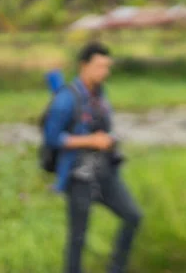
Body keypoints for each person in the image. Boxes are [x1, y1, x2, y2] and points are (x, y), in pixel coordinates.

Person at [43, 42, 142, 273]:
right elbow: (52, 138)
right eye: (99, 66)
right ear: (83, 66)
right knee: (77, 238)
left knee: (133, 216)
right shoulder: (66, 99)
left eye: (107, 67)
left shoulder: (100, 94)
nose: (104, 72)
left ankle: (116, 269)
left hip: (105, 172)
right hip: (78, 176)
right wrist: (91, 141)